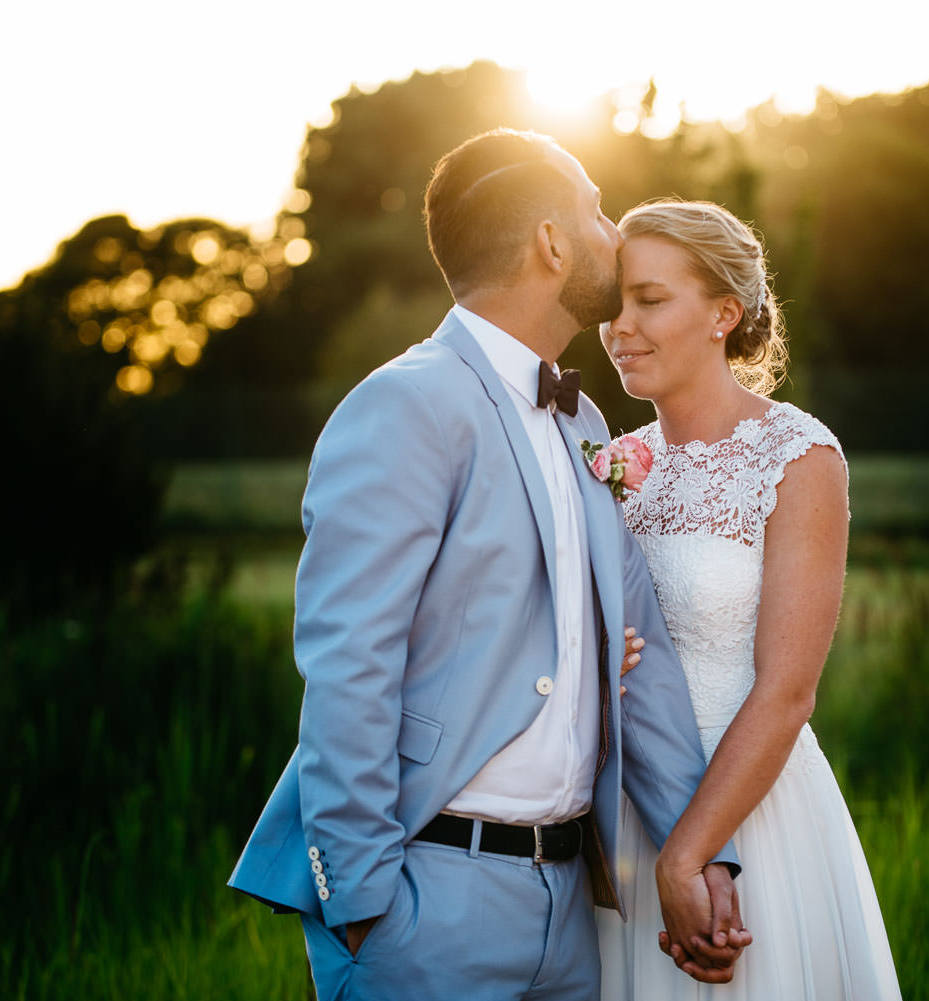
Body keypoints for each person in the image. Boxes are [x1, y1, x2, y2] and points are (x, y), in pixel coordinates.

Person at [227, 131, 749, 1001]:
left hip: (572, 910)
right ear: (550, 241)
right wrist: (363, 899)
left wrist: (705, 854)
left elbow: (641, 652)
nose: (611, 233)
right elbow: (347, 662)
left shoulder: (586, 428)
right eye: (594, 209)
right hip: (426, 905)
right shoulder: (404, 404)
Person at [594, 200, 903, 1000]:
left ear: (723, 313)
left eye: (649, 300)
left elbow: (789, 689)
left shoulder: (798, 456)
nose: (618, 326)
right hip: (621, 809)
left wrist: (687, 855)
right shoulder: (610, 465)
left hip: (750, 808)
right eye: (612, 304)